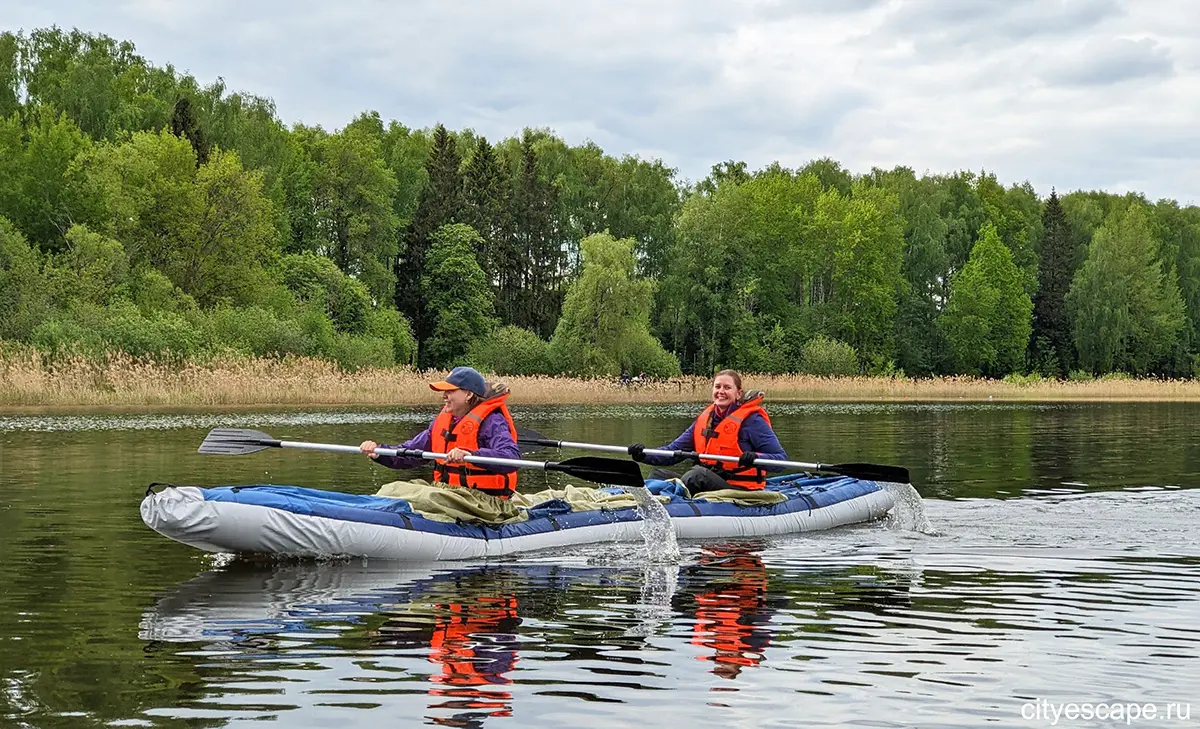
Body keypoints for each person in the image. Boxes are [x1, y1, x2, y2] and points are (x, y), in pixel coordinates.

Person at [360, 366, 521, 499]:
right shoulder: (443, 422)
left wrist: (470, 454)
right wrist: (379, 452)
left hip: (484, 500)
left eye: (450, 391)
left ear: (469, 394)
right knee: (392, 490)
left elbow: (511, 457)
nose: (444, 396)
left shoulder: (492, 422)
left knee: (426, 497)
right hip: (450, 493)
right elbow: (411, 454)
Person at [629, 369, 787, 494]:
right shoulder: (705, 419)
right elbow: (672, 452)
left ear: (738, 393)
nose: (721, 391)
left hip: (740, 488)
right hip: (709, 481)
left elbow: (780, 460)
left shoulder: (752, 421)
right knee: (657, 475)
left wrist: (755, 457)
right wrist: (643, 454)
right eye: (717, 386)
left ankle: (676, 502)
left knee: (696, 475)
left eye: (727, 387)